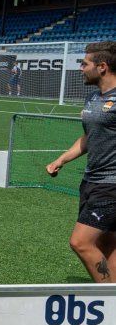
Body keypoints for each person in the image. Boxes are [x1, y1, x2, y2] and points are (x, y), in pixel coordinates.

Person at [47, 41, 116, 282]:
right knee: (107, 245)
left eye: (85, 64)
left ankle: (106, 296)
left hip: (111, 185)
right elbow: (88, 137)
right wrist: (62, 159)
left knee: (80, 242)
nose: (81, 68)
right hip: (90, 181)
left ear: (102, 66)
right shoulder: (92, 97)